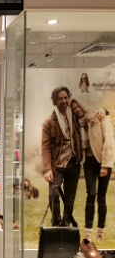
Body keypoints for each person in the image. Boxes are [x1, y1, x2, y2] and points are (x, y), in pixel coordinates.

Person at [72, 99, 115, 242]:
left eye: (79, 106)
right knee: (90, 194)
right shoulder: (79, 123)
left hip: (103, 162)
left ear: (84, 105)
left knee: (101, 197)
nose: (77, 109)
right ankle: (88, 232)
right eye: (74, 108)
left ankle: (100, 232)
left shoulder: (101, 119)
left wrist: (105, 165)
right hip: (89, 162)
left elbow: (109, 143)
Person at [42, 86, 82, 226]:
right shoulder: (48, 123)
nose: (64, 101)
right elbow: (46, 147)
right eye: (60, 98)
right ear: (55, 101)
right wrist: (47, 169)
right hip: (57, 166)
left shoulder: (76, 118)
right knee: (54, 195)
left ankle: (65, 226)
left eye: (66, 98)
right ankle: (56, 222)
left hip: (74, 164)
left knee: (69, 199)